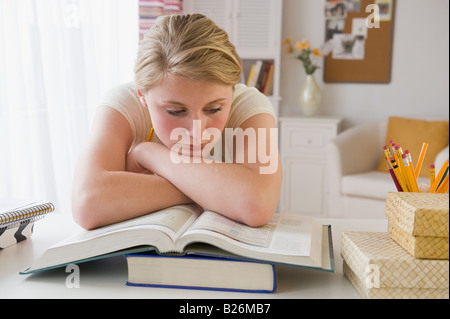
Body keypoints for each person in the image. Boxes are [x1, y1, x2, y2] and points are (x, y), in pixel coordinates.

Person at [71, 13, 282, 230]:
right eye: (175, 111)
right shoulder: (122, 104)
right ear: (142, 96)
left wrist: (149, 153)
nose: (197, 132)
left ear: (232, 91)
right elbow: (88, 203)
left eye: (214, 109)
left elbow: (258, 205)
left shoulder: (250, 106)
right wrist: (222, 191)